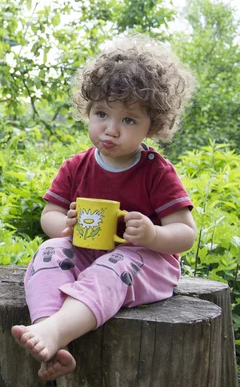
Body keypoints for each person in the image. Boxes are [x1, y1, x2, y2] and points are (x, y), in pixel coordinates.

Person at [11, 34, 197, 381]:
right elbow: (49, 215)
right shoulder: (77, 165)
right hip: (87, 253)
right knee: (49, 251)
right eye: (101, 114)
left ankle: (55, 331)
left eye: (128, 120)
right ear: (87, 109)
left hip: (146, 263)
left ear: (152, 126)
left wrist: (154, 235)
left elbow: (185, 234)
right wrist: (63, 226)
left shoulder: (156, 171)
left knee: (116, 263)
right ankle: (49, 332)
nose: (110, 130)